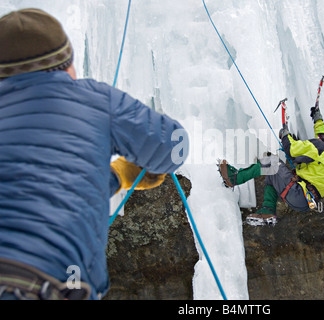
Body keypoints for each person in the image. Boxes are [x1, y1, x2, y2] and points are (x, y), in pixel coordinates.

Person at [0, 9, 188, 300]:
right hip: (53, 283)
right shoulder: (94, 99)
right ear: (66, 65)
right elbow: (173, 145)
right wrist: (128, 171)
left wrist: (115, 177)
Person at [219, 107, 324, 227]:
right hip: (305, 202)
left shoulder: (320, 147)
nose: (317, 137)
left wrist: (285, 135)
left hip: (298, 192)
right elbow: (320, 138)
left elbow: (292, 150)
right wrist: (318, 119)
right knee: (271, 175)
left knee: (271, 162)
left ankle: (233, 179)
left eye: (320, 136)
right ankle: (268, 211)